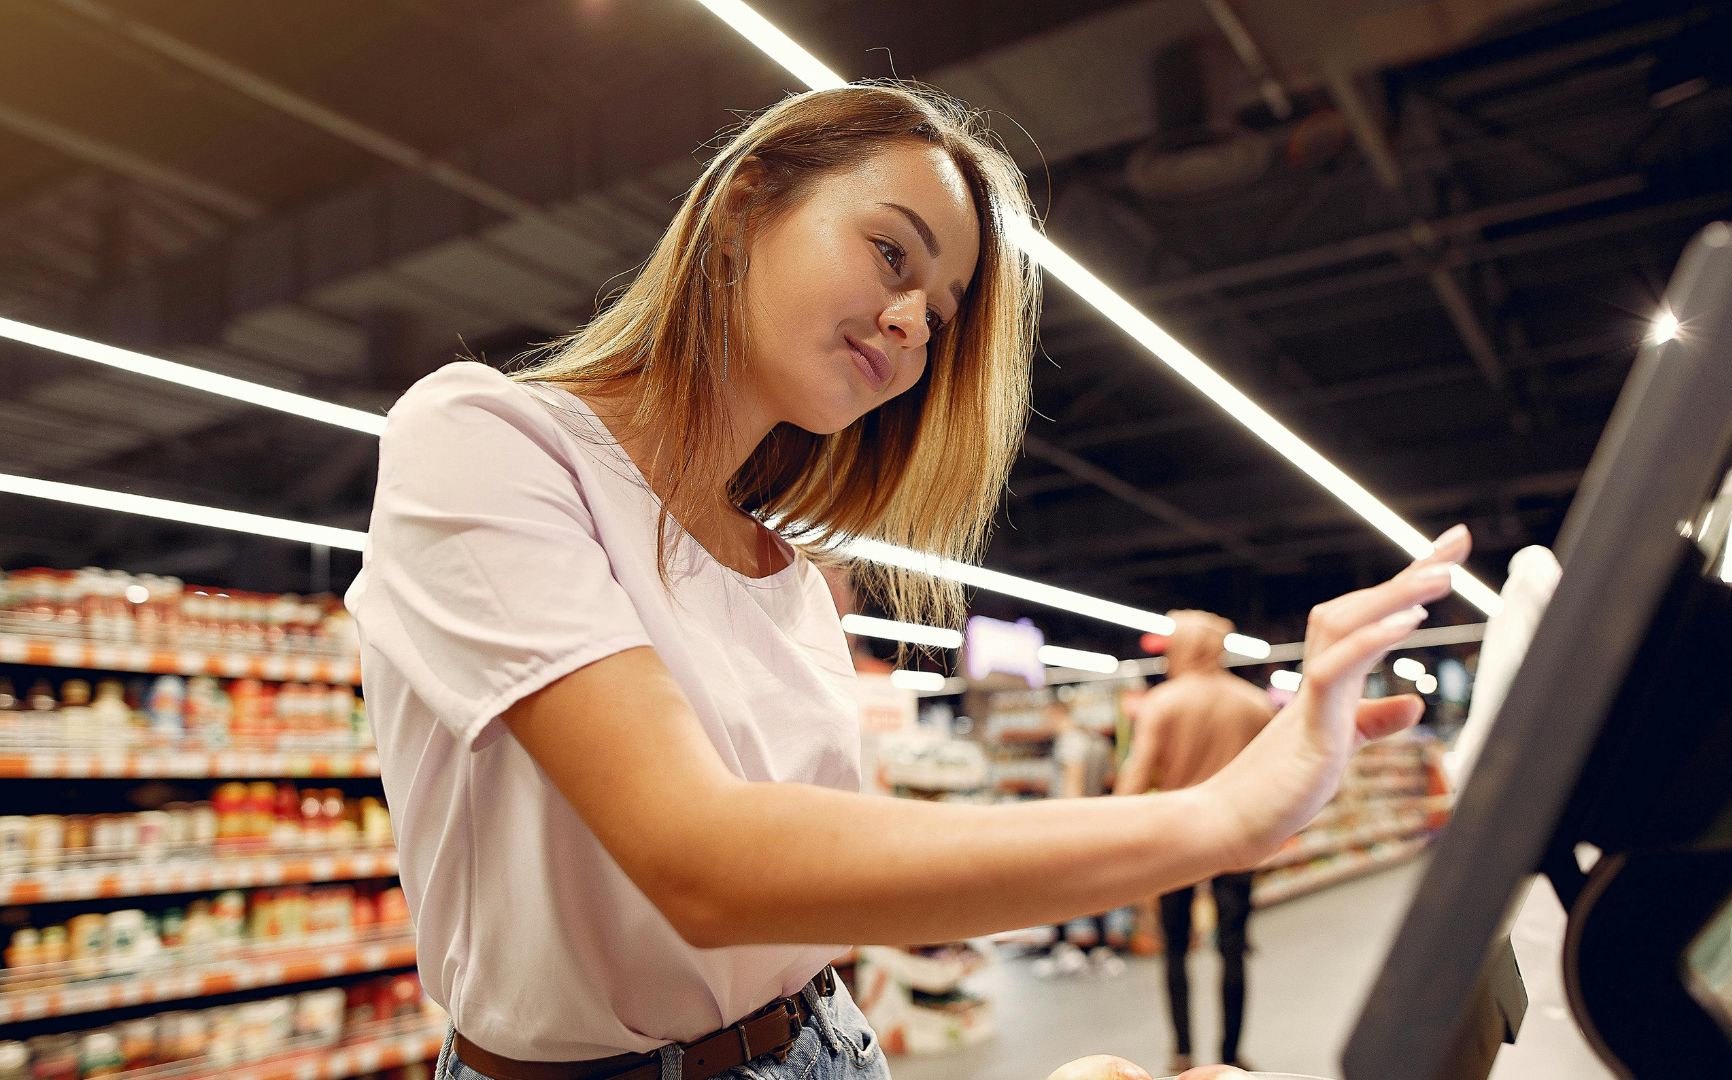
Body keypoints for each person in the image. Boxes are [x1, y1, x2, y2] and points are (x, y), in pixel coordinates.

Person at [346, 80, 1469, 1080]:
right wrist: (1220, 815)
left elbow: (813, 891)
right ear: (746, 205)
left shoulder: (788, 575)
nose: (910, 321)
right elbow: (699, 861)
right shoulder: (487, 438)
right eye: (893, 254)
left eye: (938, 314)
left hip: (822, 1041)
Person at [1113, 610, 1284, 1074]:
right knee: (1234, 949)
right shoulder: (1253, 704)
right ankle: (1231, 1056)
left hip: (1176, 844)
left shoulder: (1162, 703)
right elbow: (1275, 779)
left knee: (1175, 949)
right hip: (1238, 841)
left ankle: (1182, 1053)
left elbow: (1133, 780)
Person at [1034, 701, 1127, 979]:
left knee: (1059, 887)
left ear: (1055, 714)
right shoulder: (1090, 738)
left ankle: (1065, 948)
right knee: (1093, 885)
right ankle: (1099, 948)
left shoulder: (1069, 741)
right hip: (1088, 820)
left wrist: (1065, 824)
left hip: (1069, 824)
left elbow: (1072, 781)